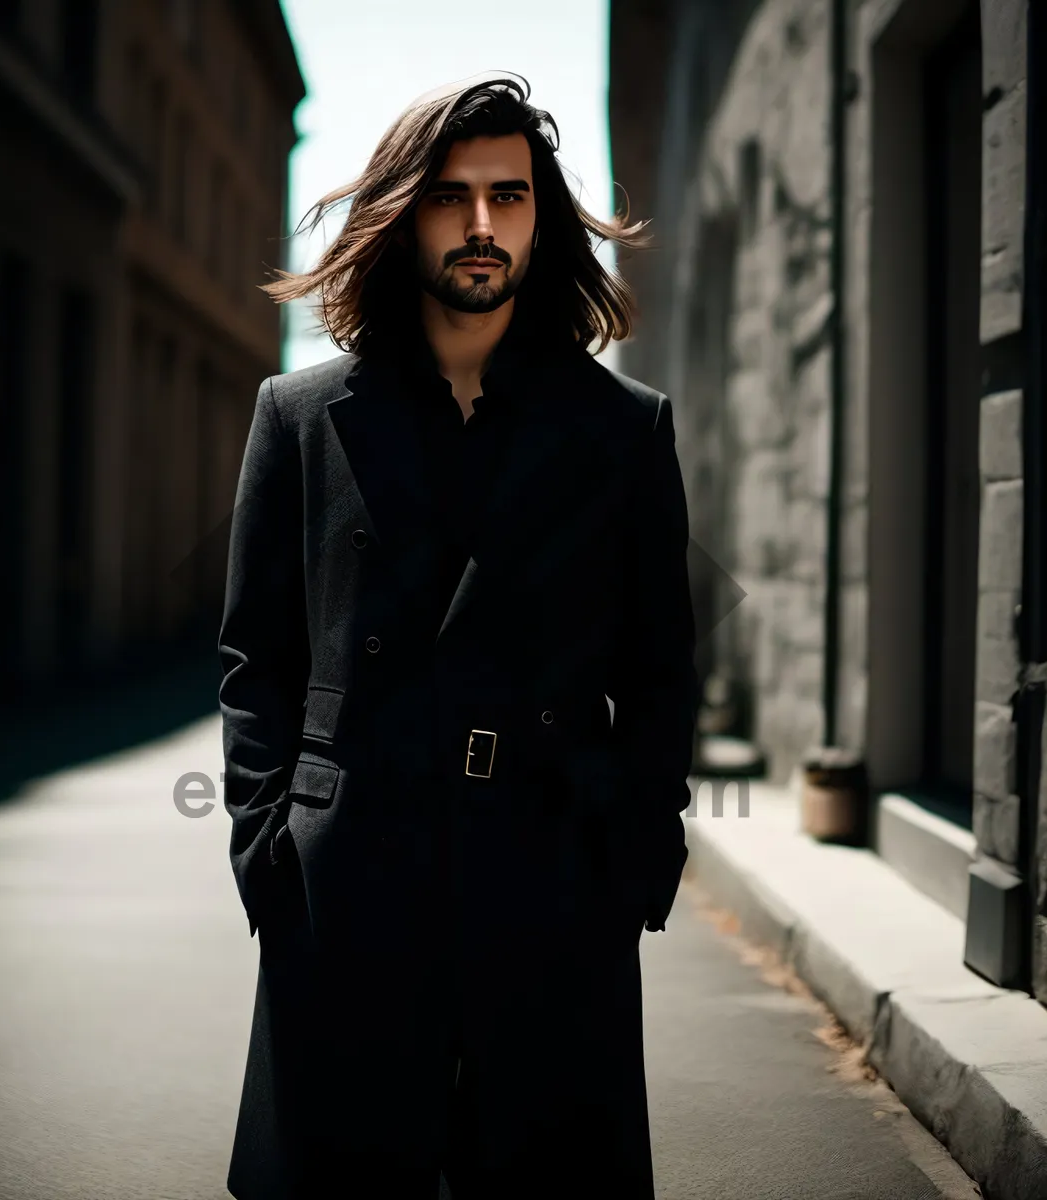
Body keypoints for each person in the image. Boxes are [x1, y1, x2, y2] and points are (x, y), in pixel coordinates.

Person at [218, 73, 698, 1200]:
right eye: (451, 196)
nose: (484, 225)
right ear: (403, 213)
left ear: (543, 217)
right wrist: (266, 850)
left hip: (551, 875)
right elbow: (256, 659)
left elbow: (662, 667)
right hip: (348, 884)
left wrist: (637, 853)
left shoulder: (623, 430)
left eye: (511, 196)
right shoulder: (301, 415)